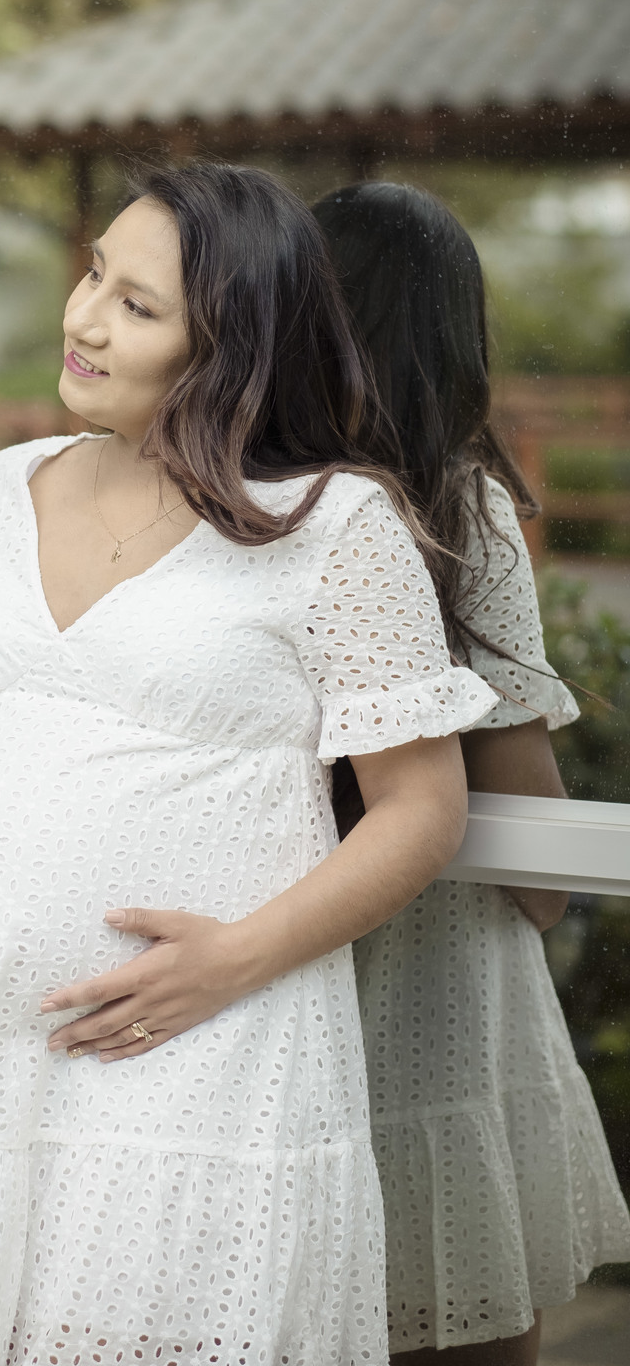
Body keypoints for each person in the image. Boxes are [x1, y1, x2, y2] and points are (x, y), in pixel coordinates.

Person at [0, 161, 503, 1366]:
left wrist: (233, 961)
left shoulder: (336, 527)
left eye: (137, 306)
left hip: (204, 1057)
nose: (82, 319)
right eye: (94, 275)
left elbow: (422, 809)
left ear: (232, 346)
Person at [312, 181, 630, 1364]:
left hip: (283, 977)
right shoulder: (459, 507)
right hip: (444, 1005)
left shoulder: (241, 496)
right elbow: (537, 866)